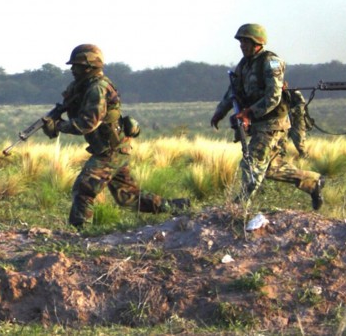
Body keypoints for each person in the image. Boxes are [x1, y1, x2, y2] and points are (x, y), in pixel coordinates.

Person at [41, 44, 189, 230]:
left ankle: (78, 231)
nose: (72, 69)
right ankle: (180, 206)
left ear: (89, 66)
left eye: (77, 65)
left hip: (110, 150)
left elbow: (88, 124)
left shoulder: (97, 89)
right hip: (112, 148)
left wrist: (59, 126)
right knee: (127, 197)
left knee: (85, 187)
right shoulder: (81, 87)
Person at [210, 23, 324, 210]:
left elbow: (273, 97)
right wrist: (220, 112)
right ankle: (312, 182)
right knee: (270, 168)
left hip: (273, 124)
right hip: (259, 123)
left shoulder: (271, 62)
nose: (242, 46)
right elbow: (233, 91)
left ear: (257, 43)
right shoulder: (245, 65)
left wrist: (249, 113)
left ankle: (239, 208)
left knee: (252, 162)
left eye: (246, 42)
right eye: (241, 42)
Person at [283, 86, 310, 158]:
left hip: (297, 121)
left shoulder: (294, 93)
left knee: (299, 144)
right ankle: (279, 160)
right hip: (284, 122)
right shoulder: (276, 93)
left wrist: (291, 111)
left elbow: (302, 106)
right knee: (281, 142)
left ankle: (304, 160)